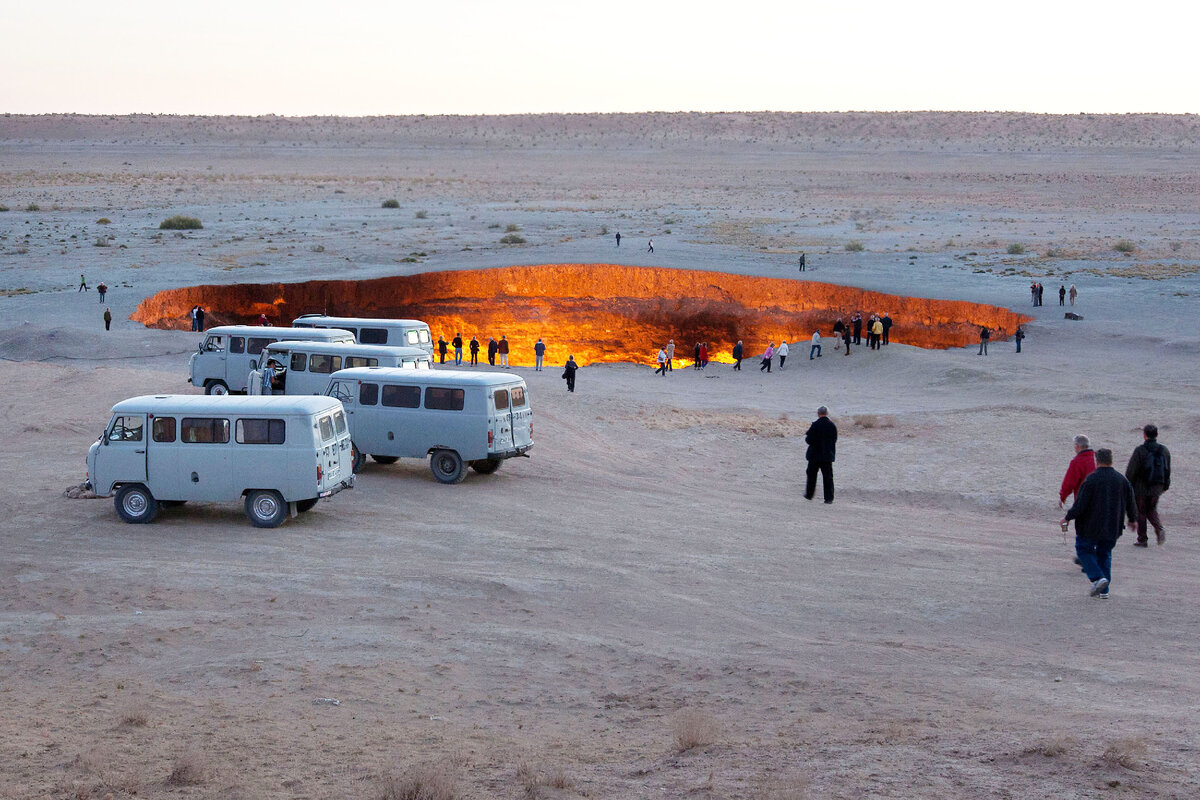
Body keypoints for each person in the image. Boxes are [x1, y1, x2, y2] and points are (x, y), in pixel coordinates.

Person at [1061, 449, 1137, 598]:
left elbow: (1081, 504)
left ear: (1097, 461)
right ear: (1111, 460)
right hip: (1113, 526)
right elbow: (1131, 502)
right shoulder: (1121, 479)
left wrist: (1068, 518)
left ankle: (1098, 578)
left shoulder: (1091, 479)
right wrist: (1133, 519)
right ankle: (1104, 591)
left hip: (1090, 526)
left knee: (1083, 550)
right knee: (1105, 554)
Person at [1125, 424, 1171, 547]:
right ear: (1157, 435)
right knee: (1152, 509)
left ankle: (1142, 539)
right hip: (1157, 486)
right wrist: (1165, 486)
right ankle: (1159, 529)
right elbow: (1167, 470)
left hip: (1141, 487)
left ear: (1144, 435)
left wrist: (1128, 486)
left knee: (1141, 511)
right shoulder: (1164, 450)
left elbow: (1131, 471)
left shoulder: (1140, 450)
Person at [804, 406, 837, 503]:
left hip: (814, 455)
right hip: (827, 455)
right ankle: (829, 498)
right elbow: (834, 439)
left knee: (811, 475)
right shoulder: (832, 425)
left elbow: (808, 440)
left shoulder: (815, 425)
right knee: (828, 477)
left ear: (818, 414)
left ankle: (809, 495)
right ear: (827, 413)